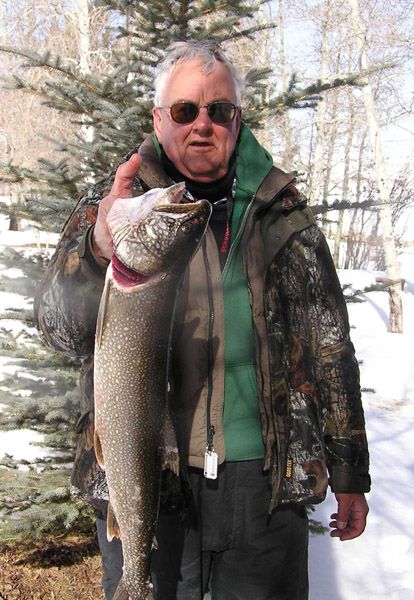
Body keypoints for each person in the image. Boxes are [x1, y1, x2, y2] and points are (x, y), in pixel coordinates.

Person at [34, 40, 370, 600]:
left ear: (237, 120)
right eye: (186, 110)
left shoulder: (284, 213)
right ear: (158, 119)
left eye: (220, 110)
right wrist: (96, 246)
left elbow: (330, 347)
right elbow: (58, 330)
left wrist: (351, 474)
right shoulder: (117, 209)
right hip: (148, 480)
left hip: (266, 485)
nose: (203, 124)